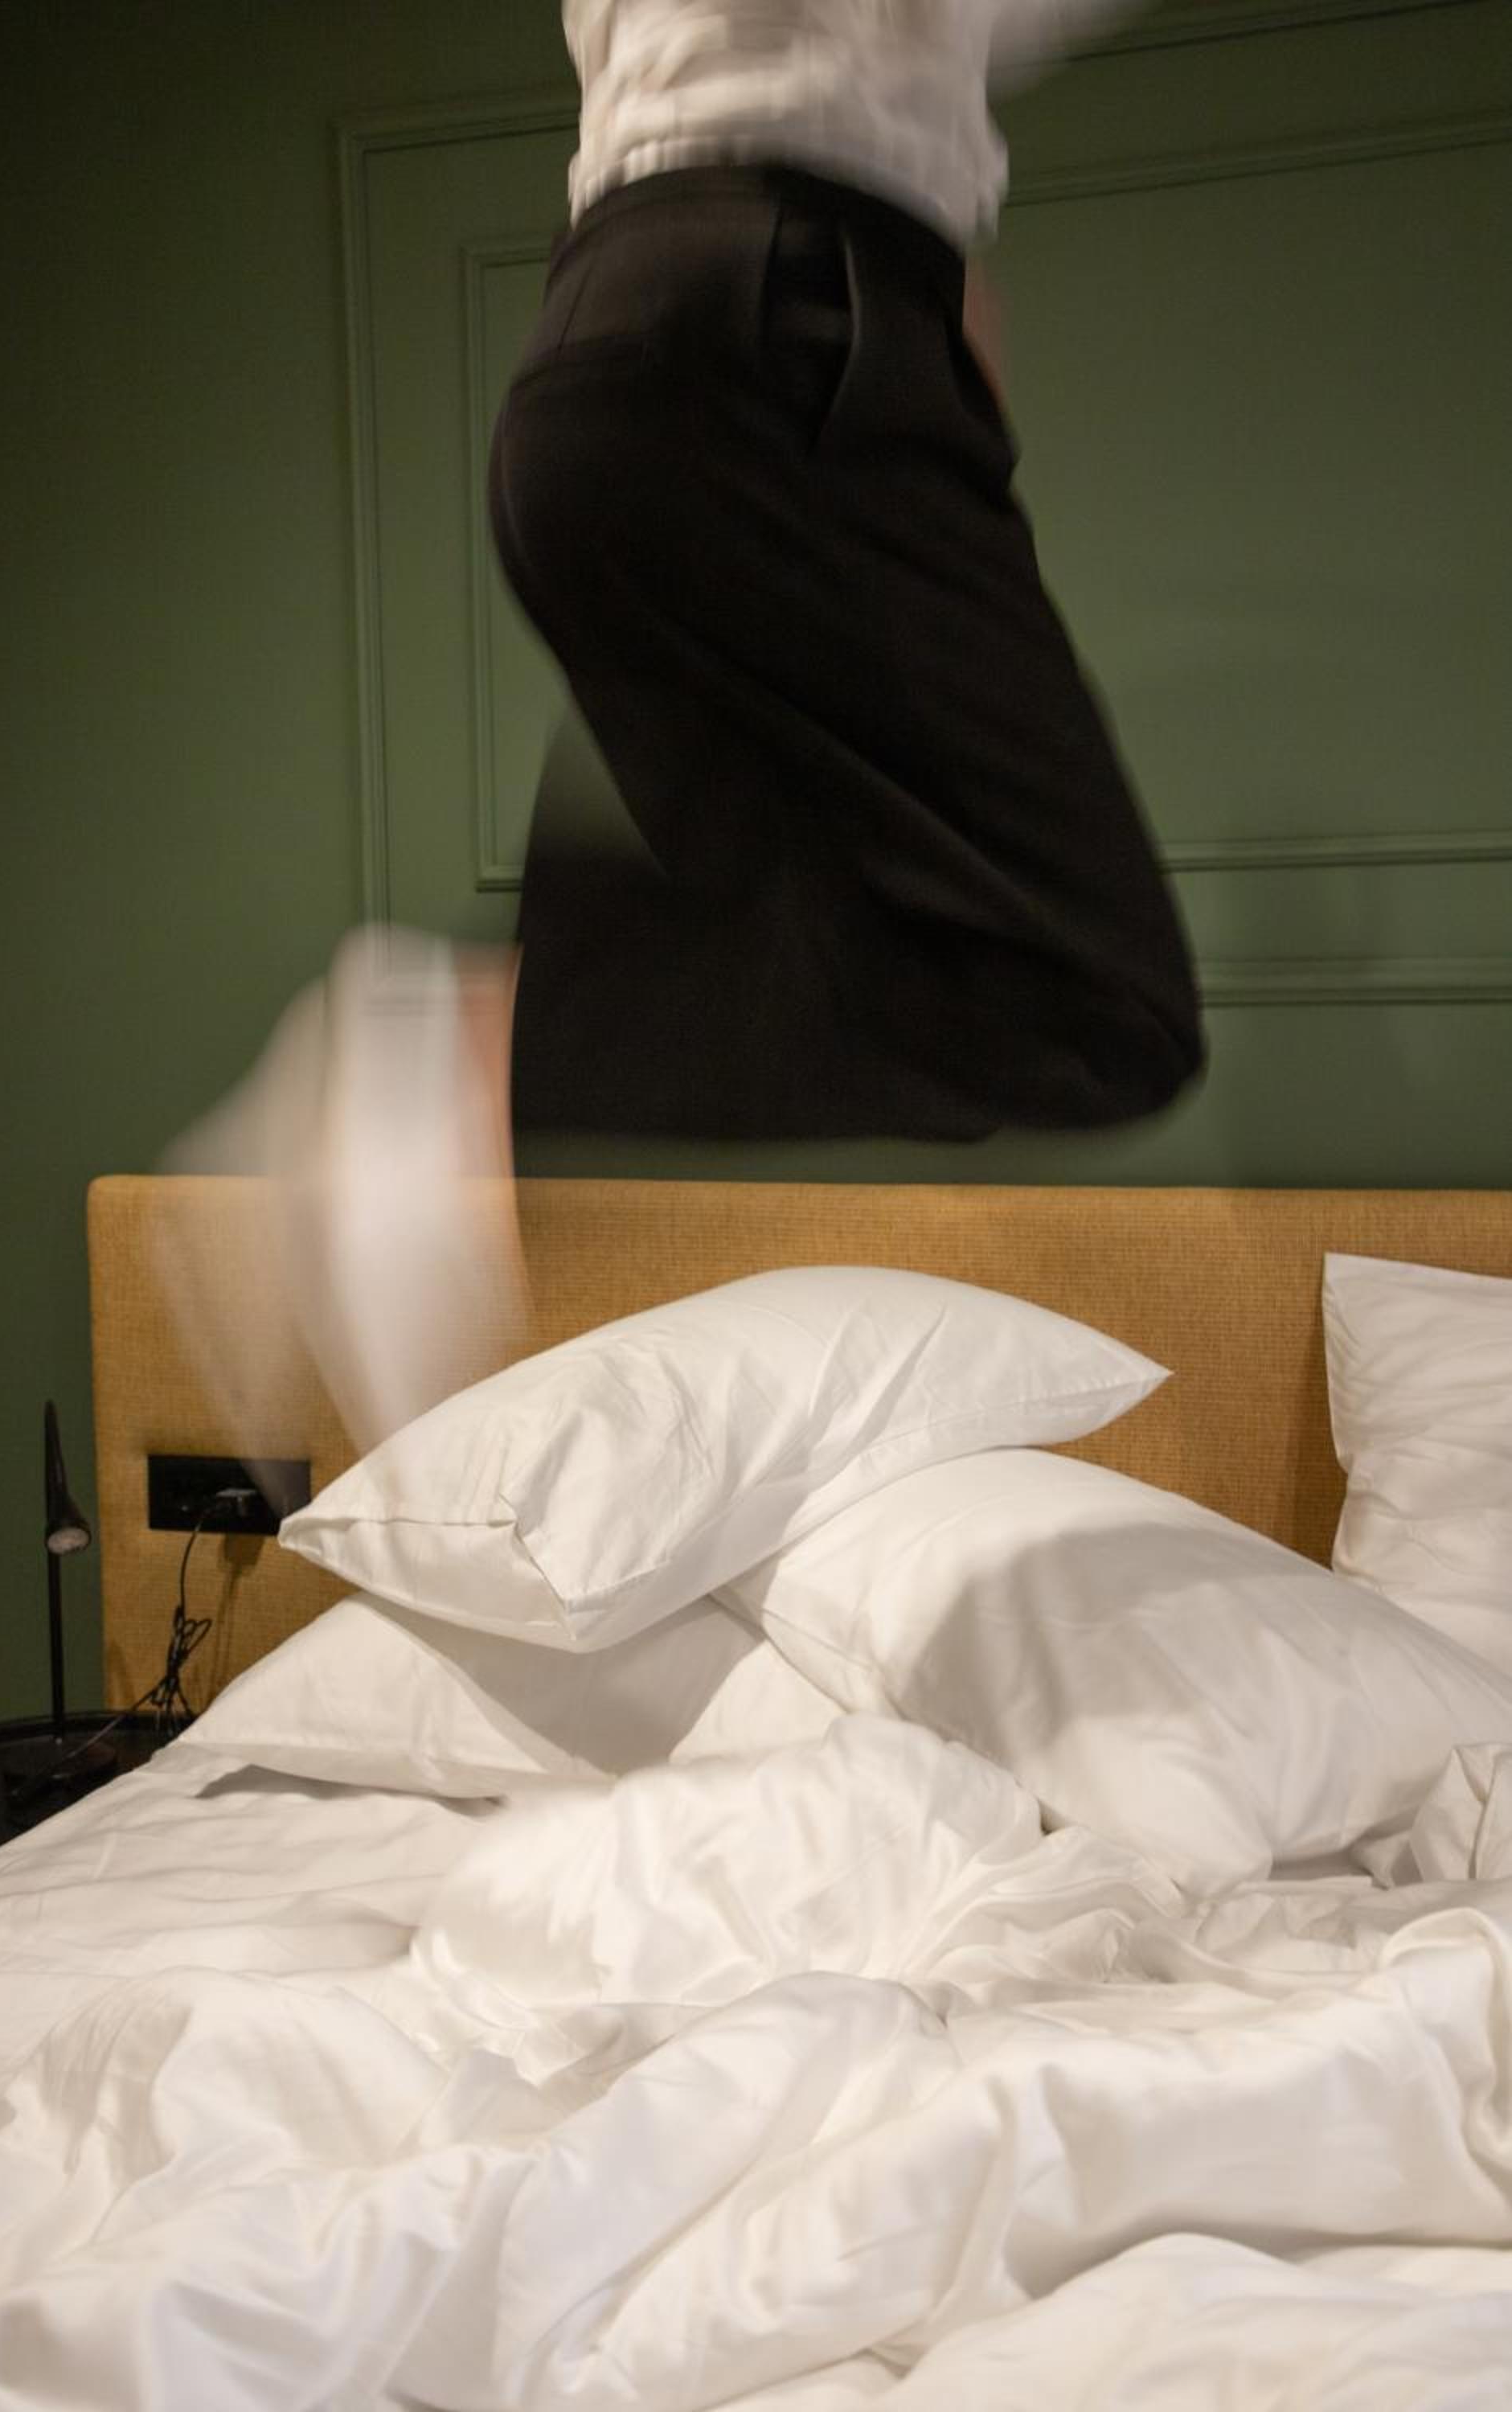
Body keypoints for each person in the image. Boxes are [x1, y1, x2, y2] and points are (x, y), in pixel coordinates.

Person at [160, 0, 1204, 1459]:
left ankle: (458, 1055)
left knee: (797, 917)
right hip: (789, 342)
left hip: (618, 367)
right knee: (1096, 1010)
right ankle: (454, 1048)